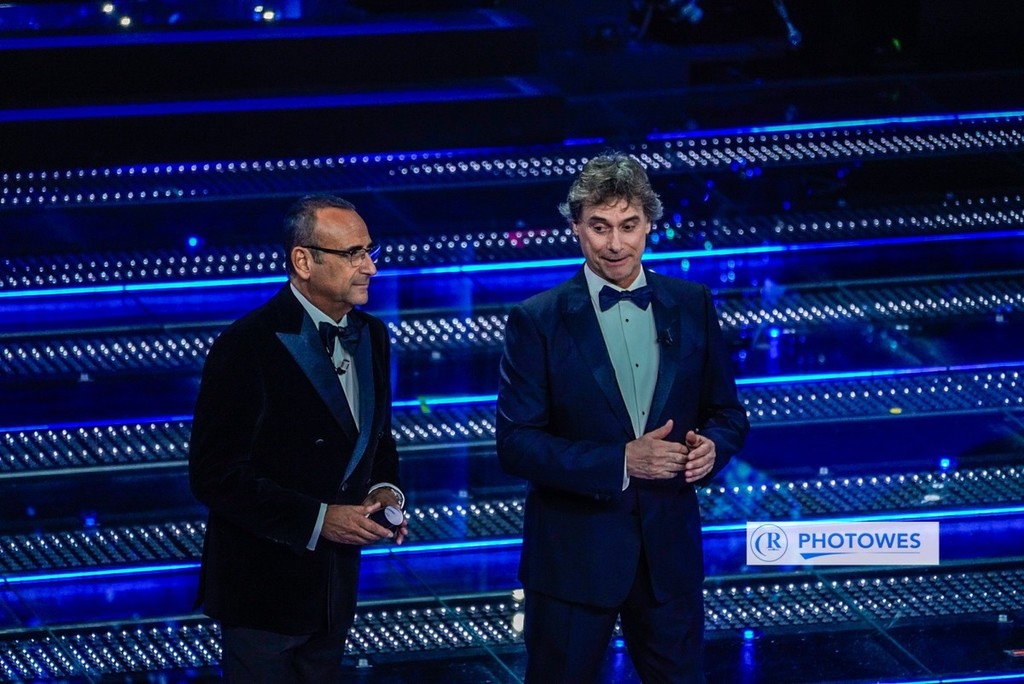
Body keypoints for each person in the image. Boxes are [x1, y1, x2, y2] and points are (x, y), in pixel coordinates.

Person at [496, 153, 749, 683]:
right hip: (573, 561)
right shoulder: (536, 320)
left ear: (649, 224)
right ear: (575, 227)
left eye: (629, 226)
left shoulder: (693, 302)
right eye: (600, 226)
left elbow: (727, 412)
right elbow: (517, 444)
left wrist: (713, 448)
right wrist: (622, 461)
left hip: (668, 559)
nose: (615, 244)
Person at [189, 194, 407, 683]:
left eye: (370, 250)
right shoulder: (245, 345)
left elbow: (377, 439)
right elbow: (215, 476)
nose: (370, 267)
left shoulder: (373, 335)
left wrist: (385, 490)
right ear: (303, 261)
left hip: (334, 591)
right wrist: (319, 519)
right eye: (352, 254)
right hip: (263, 592)